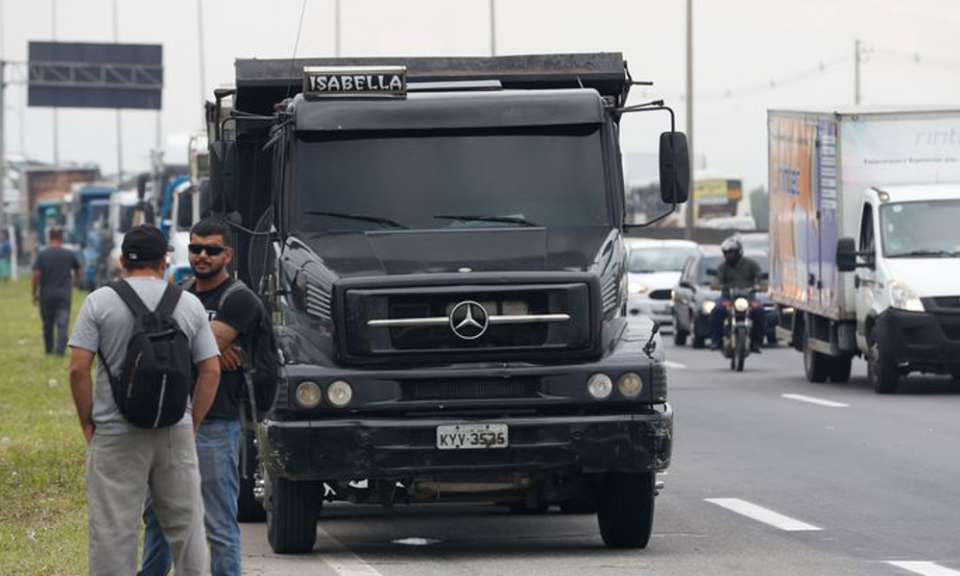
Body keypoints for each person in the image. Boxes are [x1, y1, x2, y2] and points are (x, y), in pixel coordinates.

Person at [68, 224, 221, 576]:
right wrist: (192, 421)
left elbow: (78, 369)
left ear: (122, 260)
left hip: (115, 432)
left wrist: (87, 421)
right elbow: (210, 371)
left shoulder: (99, 302)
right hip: (175, 428)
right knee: (187, 528)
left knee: (113, 531)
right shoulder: (188, 304)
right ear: (165, 261)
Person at [140, 218, 263, 576]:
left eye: (212, 250)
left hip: (217, 424)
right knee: (159, 517)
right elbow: (155, 344)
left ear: (228, 254)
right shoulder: (180, 291)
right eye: (195, 248)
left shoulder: (240, 299)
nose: (202, 256)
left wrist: (188, 345)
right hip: (172, 419)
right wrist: (207, 350)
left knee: (219, 522)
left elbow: (174, 346)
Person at [710, 236, 766, 353]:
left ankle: (756, 342)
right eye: (726, 253)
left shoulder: (751, 264)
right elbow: (716, 279)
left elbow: (760, 277)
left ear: (739, 252)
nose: (729, 255)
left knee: (759, 311)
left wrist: (763, 286)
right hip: (728, 298)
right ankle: (716, 341)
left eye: (731, 252)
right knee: (717, 310)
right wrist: (715, 285)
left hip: (748, 298)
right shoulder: (723, 266)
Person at [33, 227, 81, 355]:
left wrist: (35, 292)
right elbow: (79, 270)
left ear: (49, 237)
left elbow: (36, 275)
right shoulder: (69, 253)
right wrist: (75, 283)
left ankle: (49, 350)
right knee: (62, 323)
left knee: (47, 324)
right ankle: (60, 352)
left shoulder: (42, 254)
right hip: (64, 294)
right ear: (62, 237)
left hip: (46, 294)